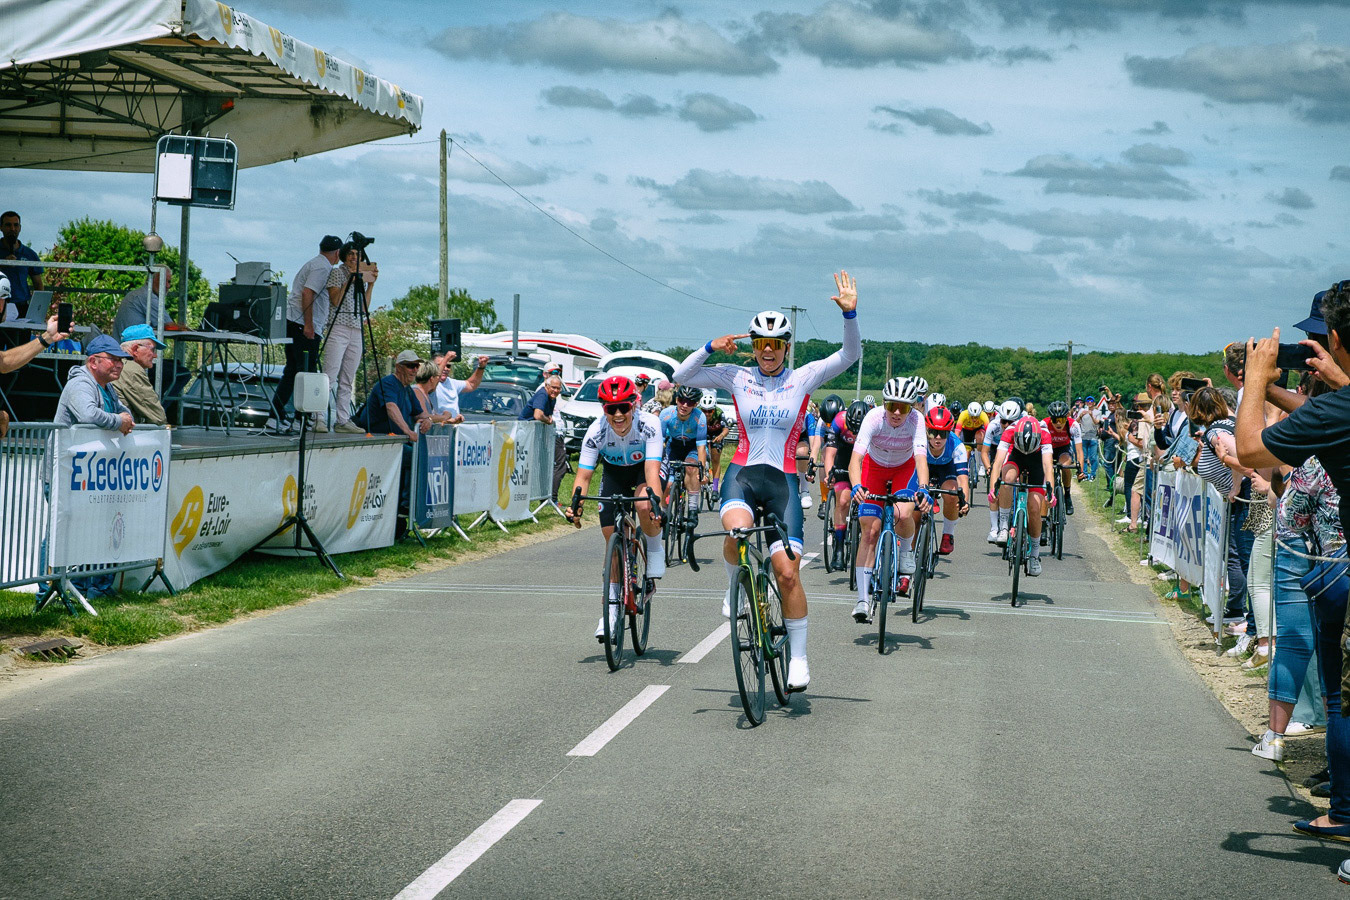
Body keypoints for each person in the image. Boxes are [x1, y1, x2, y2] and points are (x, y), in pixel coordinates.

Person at [674, 271, 861, 692]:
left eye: (776, 345)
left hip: (783, 484)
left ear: (786, 347)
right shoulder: (735, 377)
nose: (768, 352)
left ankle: (798, 657)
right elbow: (681, 377)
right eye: (761, 345)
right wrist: (709, 347)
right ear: (754, 347)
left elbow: (849, 355)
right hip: (741, 475)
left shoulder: (803, 377)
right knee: (736, 530)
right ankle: (732, 588)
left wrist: (851, 314)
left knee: (788, 574)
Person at [564, 375, 667, 640]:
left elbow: (652, 470)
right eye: (611, 409)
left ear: (635, 404)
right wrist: (575, 506)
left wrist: (656, 504)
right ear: (604, 410)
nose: (618, 414)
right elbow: (583, 477)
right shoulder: (596, 431)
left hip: (645, 470)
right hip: (614, 473)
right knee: (611, 544)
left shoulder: (650, 424)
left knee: (644, 501)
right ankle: (609, 615)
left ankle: (655, 550)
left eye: (624, 407)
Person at [848, 375, 931, 622]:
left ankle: (906, 552)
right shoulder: (873, 418)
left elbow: (921, 460)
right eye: (891, 405)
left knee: (904, 512)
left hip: (903, 469)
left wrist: (924, 488)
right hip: (873, 468)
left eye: (903, 407)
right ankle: (863, 600)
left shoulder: (917, 421)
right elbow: (856, 460)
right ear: (883, 403)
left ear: (911, 407)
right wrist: (856, 486)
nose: (896, 412)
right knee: (870, 532)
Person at [269, 235, 341, 432]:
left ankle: (276, 414)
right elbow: (307, 293)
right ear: (337, 253)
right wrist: (309, 324)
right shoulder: (322, 267)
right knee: (305, 372)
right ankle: (300, 417)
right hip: (303, 325)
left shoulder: (315, 263)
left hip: (295, 321)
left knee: (293, 370)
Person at [322, 242, 378, 433]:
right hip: (338, 326)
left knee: (347, 377)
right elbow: (335, 300)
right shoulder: (338, 273)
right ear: (345, 256)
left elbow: (364, 308)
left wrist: (370, 285)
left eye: (358, 254)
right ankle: (317, 418)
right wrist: (350, 280)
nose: (355, 257)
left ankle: (343, 419)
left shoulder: (361, 276)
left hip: (356, 327)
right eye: (351, 254)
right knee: (330, 374)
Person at [988, 414, 1054, 576]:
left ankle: (1034, 555)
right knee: (1007, 478)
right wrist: (992, 490)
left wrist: (1050, 492)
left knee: (1034, 508)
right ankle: (1003, 526)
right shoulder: (1010, 431)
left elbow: (1048, 466)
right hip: (1016, 458)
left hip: (1036, 462)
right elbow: (997, 463)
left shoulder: (1045, 434)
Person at [823, 400, 866, 570]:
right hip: (843, 457)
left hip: (863, 461)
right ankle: (839, 548)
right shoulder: (839, 421)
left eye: (858, 431)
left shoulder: (871, 423)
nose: (855, 434)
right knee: (842, 501)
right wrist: (829, 475)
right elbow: (830, 453)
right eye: (853, 430)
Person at [659, 384, 709, 528]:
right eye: (682, 400)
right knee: (667, 482)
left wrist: (702, 471)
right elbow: (660, 442)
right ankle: (664, 512)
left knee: (691, 468)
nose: (685, 405)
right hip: (673, 446)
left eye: (690, 402)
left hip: (693, 447)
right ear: (676, 399)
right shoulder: (666, 414)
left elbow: (701, 446)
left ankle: (692, 510)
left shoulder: (700, 417)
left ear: (696, 404)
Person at [923, 405, 970, 555]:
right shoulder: (919, 442)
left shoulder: (957, 446)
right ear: (926, 430)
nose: (937, 438)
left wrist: (965, 502)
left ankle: (948, 534)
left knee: (952, 494)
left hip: (946, 467)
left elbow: (963, 479)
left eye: (943, 434)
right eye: (933, 432)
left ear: (949, 433)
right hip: (924, 465)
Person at [521, 374, 568, 506]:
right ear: (546, 386)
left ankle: (547, 497)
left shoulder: (551, 397)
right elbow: (538, 415)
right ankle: (550, 498)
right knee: (557, 465)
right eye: (553, 387)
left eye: (558, 388)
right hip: (527, 433)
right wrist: (548, 421)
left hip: (539, 434)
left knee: (548, 465)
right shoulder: (542, 395)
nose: (556, 391)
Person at [114, 324, 167, 426]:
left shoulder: (116, 364)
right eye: (152, 349)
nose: (155, 355)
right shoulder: (132, 370)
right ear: (135, 349)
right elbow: (158, 417)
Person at [1043, 400, 1086, 515]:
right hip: (1048, 449)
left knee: (1065, 466)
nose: (1058, 423)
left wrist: (1080, 470)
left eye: (1061, 420)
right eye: (1055, 420)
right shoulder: (1043, 424)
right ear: (1050, 418)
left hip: (1063, 449)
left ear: (1066, 418)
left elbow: (1079, 450)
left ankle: (1067, 495)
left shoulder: (1073, 425)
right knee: (1047, 469)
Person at [0, 211, 43, 316]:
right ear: (1, 227)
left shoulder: (29, 254)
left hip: (22, 306)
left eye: (16, 225)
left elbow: (38, 284)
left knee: (22, 332)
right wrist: (3, 264)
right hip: (1, 303)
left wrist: (37, 309)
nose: (12, 229)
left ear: (20, 227)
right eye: (8, 225)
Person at [112, 268, 170, 342]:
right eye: (163, 280)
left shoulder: (137, 293)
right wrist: (184, 329)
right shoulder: (147, 296)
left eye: (169, 282)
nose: (167, 285)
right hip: (131, 348)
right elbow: (168, 325)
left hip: (125, 345)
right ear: (152, 279)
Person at [430, 351, 489, 424]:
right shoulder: (430, 384)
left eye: (448, 366)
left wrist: (481, 367)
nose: (445, 368)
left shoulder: (452, 383)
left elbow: (471, 384)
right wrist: (446, 358)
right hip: (437, 427)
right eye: (441, 365)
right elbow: (435, 377)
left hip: (453, 427)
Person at [699, 392, 729, 497]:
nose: (707, 414)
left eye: (710, 411)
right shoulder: (697, 413)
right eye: (704, 411)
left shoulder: (719, 413)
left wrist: (721, 436)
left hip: (716, 435)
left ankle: (715, 488)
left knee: (715, 459)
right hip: (703, 434)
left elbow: (726, 429)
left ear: (714, 409)